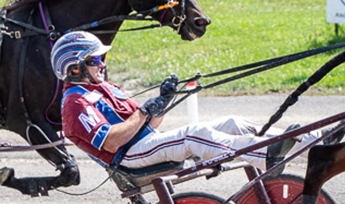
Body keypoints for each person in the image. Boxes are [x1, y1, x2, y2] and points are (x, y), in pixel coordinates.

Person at [51, 31, 307, 175]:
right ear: (75, 69)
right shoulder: (75, 103)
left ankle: (312, 141)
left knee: (234, 123)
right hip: (129, 157)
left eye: (102, 58)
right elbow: (112, 141)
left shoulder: (104, 87)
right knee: (195, 134)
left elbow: (150, 125)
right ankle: (265, 156)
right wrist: (142, 111)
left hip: (145, 144)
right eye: (95, 60)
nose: (103, 64)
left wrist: (163, 101)